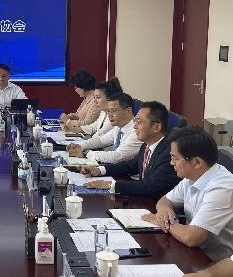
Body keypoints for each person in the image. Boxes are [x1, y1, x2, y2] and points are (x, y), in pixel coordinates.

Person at [141, 127, 233, 262]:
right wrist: (164, 210)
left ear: (196, 162)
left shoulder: (222, 188)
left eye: (175, 158)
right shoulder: (193, 176)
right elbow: (165, 200)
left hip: (217, 263)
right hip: (193, 253)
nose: (171, 163)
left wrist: (165, 222)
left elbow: (191, 238)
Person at [80, 101, 181, 199]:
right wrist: (100, 170)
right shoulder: (147, 144)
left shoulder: (169, 152)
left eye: (139, 122)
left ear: (156, 127)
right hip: (144, 199)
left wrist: (111, 185)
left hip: (157, 204)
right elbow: (132, 165)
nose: (135, 126)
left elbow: (152, 186)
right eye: (135, 121)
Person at [67, 92, 142, 164]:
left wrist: (86, 153)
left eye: (114, 111)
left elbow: (118, 156)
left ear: (128, 111)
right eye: (108, 111)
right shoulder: (119, 127)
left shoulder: (137, 130)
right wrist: (80, 145)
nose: (109, 115)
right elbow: (101, 140)